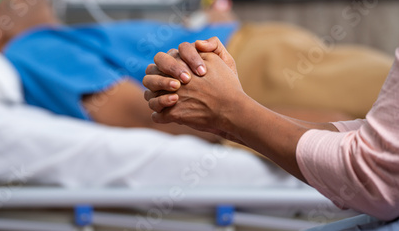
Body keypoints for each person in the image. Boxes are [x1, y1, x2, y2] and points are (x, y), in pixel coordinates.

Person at [0, 0, 392, 142]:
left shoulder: (57, 38)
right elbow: (135, 116)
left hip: (263, 56)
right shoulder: (32, 51)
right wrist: (307, 132)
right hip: (261, 71)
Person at [142, 36, 399, 221]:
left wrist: (229, 110)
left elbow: (377, 172)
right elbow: (376, 144)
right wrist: (227, 115)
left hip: (251, 50)